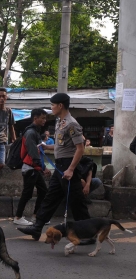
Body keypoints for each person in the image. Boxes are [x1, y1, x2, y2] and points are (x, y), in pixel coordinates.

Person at [18, 93, 91, 243]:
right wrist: (46, 146)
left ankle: (88, 234)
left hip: (68, 166)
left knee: (77, 202)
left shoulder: (72, 124)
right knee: (50, 198)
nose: (51, 108)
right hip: (60, 166)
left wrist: (71, 169)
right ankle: (37, 228)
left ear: (60, 105)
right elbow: (60, 145)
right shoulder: (60, 122)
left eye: (52, 105)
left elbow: (80, 148)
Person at [13, 108, 49, 226]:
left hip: (34, 167)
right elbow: (33, 152)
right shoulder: (31, 132)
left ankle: (36, 216)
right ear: (35, 118)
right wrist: (42, 167)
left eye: (45, 118)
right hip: (30, 167)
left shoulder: (35, 131)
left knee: (43, 191)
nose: (45, 120)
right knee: (27, 194)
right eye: (42, 118)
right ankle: (18, 217)